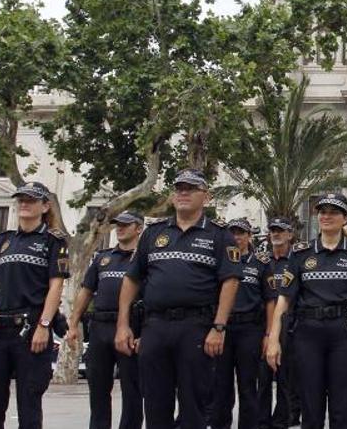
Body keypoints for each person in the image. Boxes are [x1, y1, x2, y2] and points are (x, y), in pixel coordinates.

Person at [115, 169, 243, 429]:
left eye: (191, 188)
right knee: (154, 403)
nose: (183, 193)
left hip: (196, 327)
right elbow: (132, 279)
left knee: (194, 405)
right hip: (155, 327)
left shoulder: (219, 235)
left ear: (205, 197)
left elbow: (230, 281)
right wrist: (123, 325)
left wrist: (219, 327)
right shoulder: (153, 234)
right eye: (179, 188)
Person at [0, 181, 69, 429]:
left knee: (29, 405)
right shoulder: (2, 242)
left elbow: (56, 287)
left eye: (31, 199)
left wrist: (44, 325)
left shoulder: (54, 241)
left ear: (45, 206)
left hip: (30, 332)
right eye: (21, 199)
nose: (24, 204)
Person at [265, 193, 347, 429]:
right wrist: (274, 340)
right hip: (308, 334)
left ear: (345, 218)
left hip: (345, 334)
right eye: (322, 212)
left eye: (334, 212)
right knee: (310, 406)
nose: (326, 217)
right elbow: (283, 300)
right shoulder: (300, 254)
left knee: (342, 407)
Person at [66, 210, 145, 429]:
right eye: (117, 224)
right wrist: (73, 324)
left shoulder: (145, 259)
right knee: (98, 387)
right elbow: (86, 291)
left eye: (126, 225)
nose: (119, 228)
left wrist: (145, 334)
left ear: (139, 228)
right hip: (100, 326)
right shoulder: (103, 257)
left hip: (132, 327)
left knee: (133, 389)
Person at [209, 218, 273, 429]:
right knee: (221, 385)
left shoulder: (261, 262)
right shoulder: (219, 261)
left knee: (247, 386)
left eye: (241, 233)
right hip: (223, 329)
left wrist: (269, 335)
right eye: (233, 233)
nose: (236, 237)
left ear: (249, 236)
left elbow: (270, 301)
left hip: (250, 329)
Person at [262, 218, 303, 429]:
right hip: (264, 323)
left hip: (290, 323)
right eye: (273, 231)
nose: (276, 234)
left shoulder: (297, 260)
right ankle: (262, 419)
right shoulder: (262, 261)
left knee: (287, 376)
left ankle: (283, 419)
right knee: (262, 375)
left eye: (280, 231)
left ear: (290, 235)